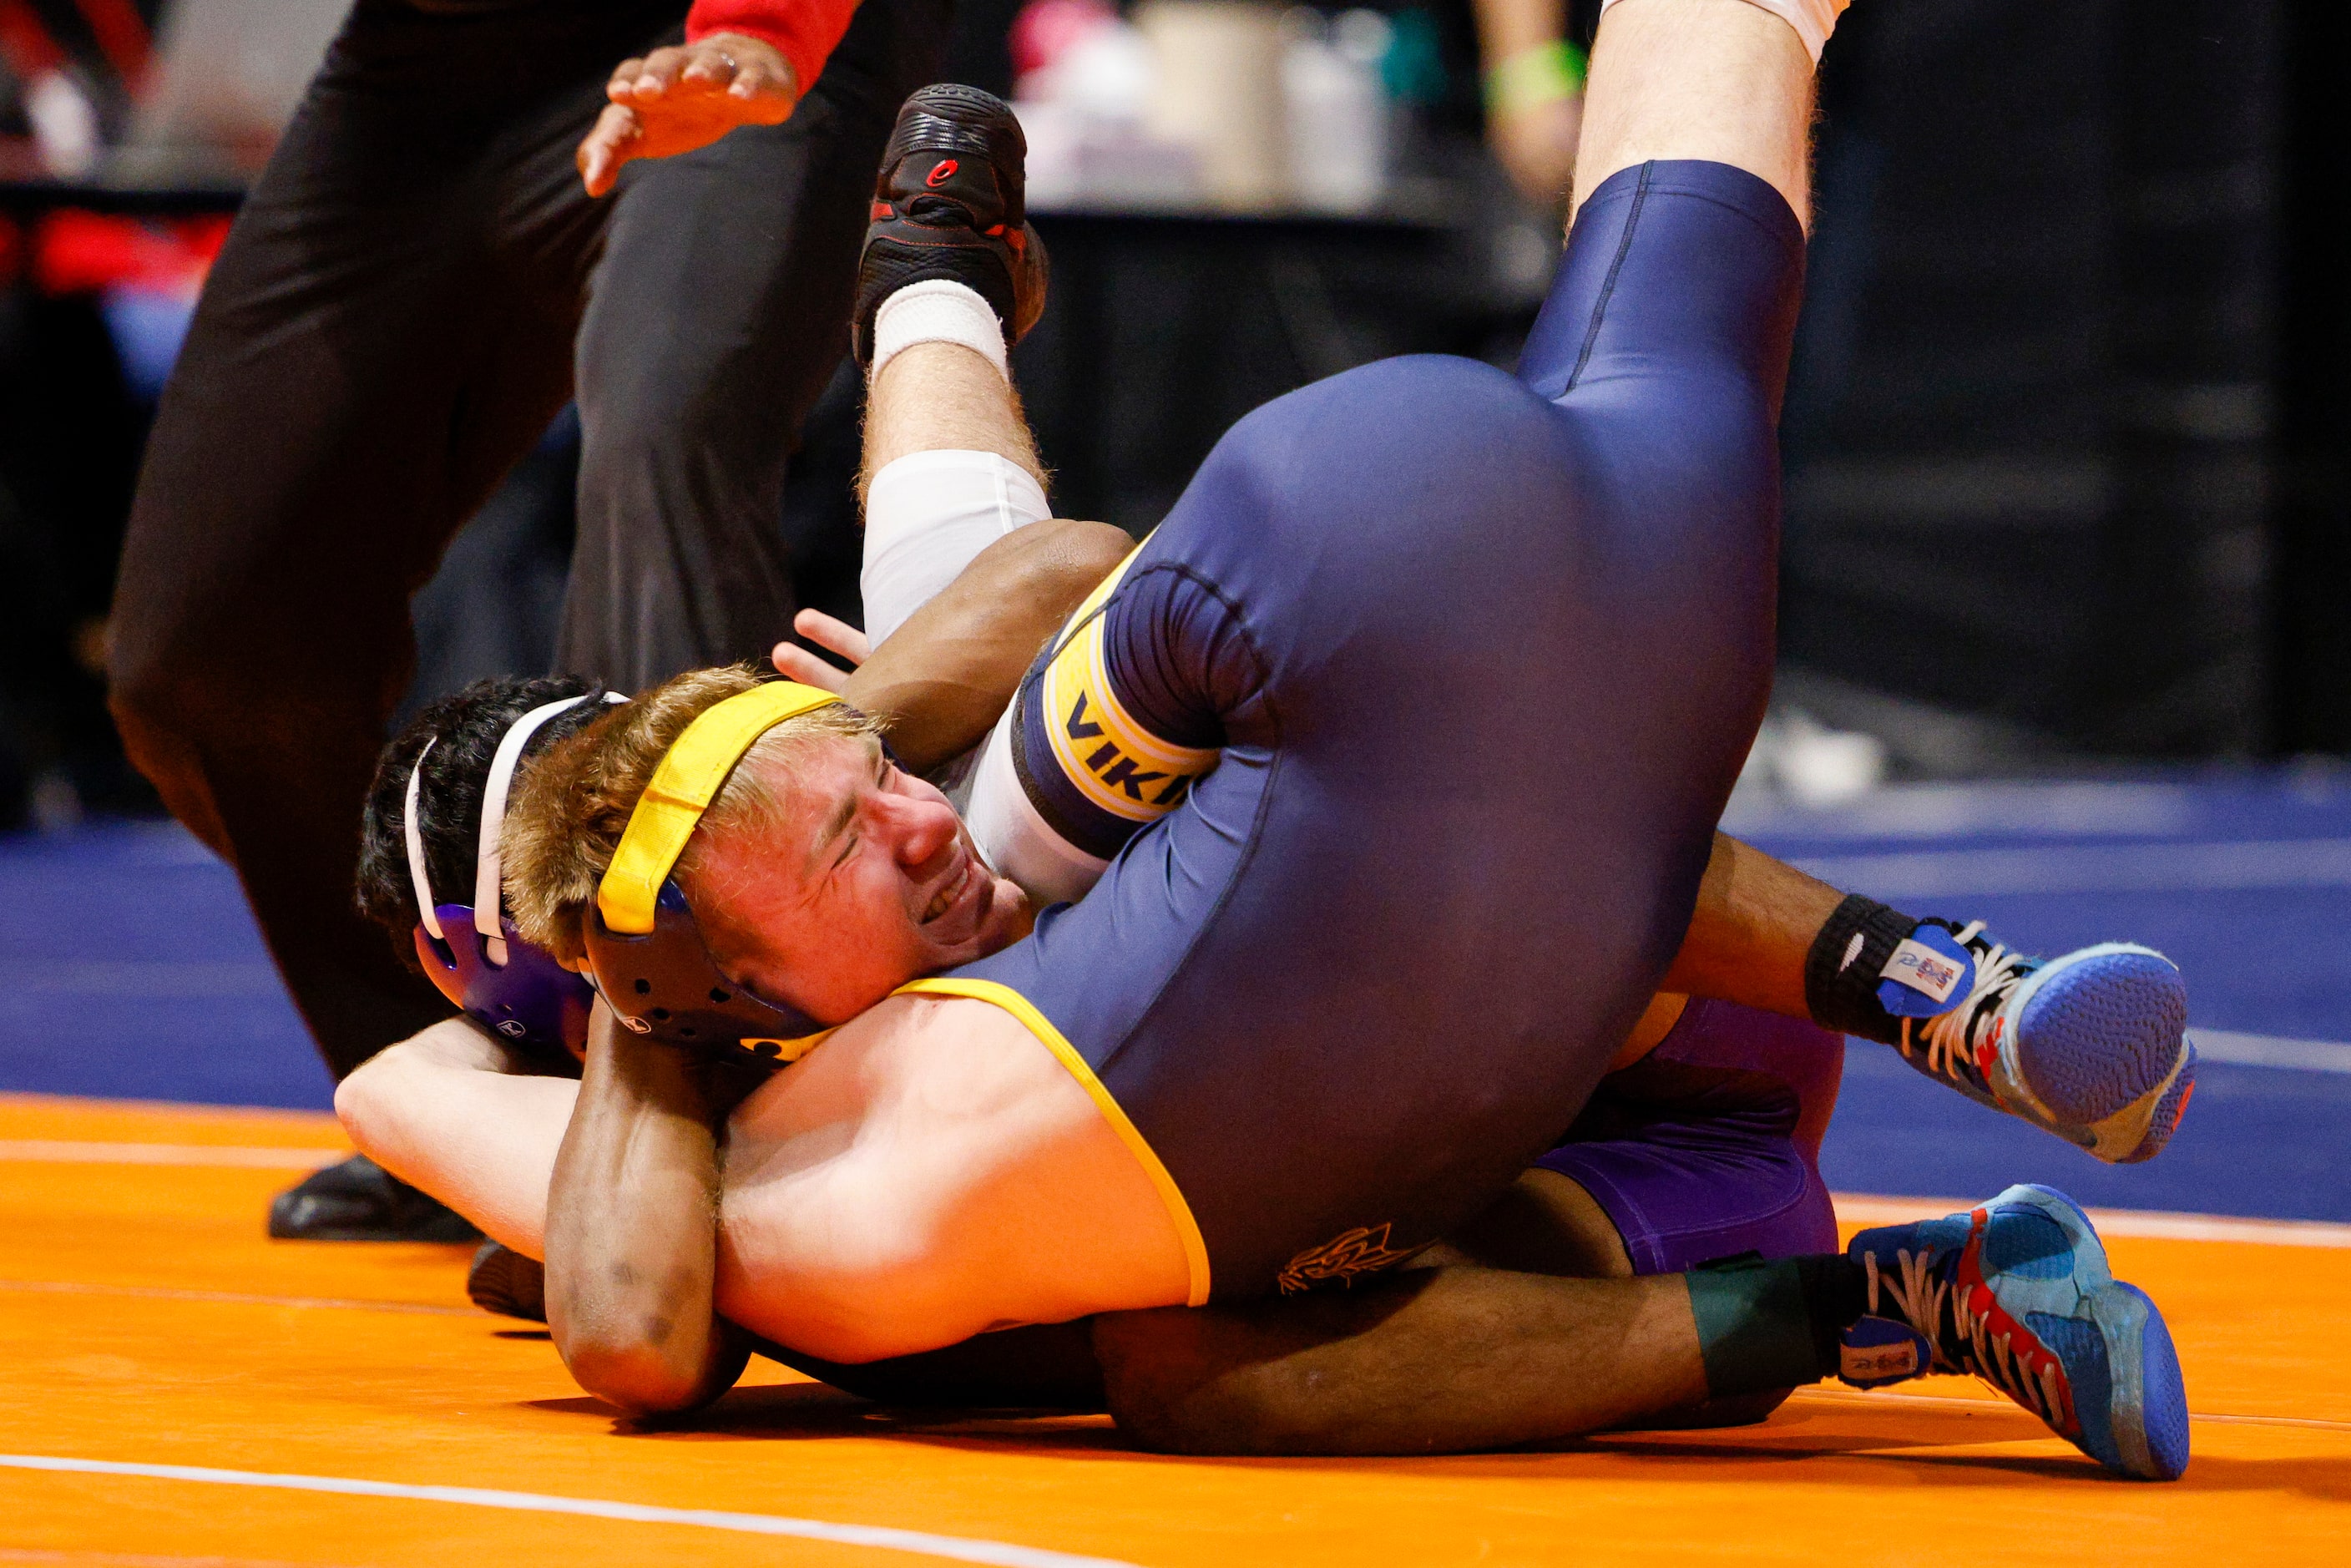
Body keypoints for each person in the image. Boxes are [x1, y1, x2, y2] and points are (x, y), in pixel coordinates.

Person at [341, 0, 2191, 1479]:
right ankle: (1921, 1186)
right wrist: (657, 1018)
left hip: (1538, 912)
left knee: (1169, 1188)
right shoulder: (748, 1091)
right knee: (1196, 1342)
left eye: (865, 790)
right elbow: (601, 1291)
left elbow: (1049, 577)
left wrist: (859, 715)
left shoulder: (931, 883)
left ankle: (1922, 1184)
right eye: (835, 846)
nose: (905, 829)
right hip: (1605, 1086)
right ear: (683, 992)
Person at [104, 0, 953, 1241]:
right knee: (206, 653)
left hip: (742, 36)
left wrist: (767, 25)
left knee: (665, 456)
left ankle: (682, 1138)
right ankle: (474, 1094)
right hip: (433, 53)